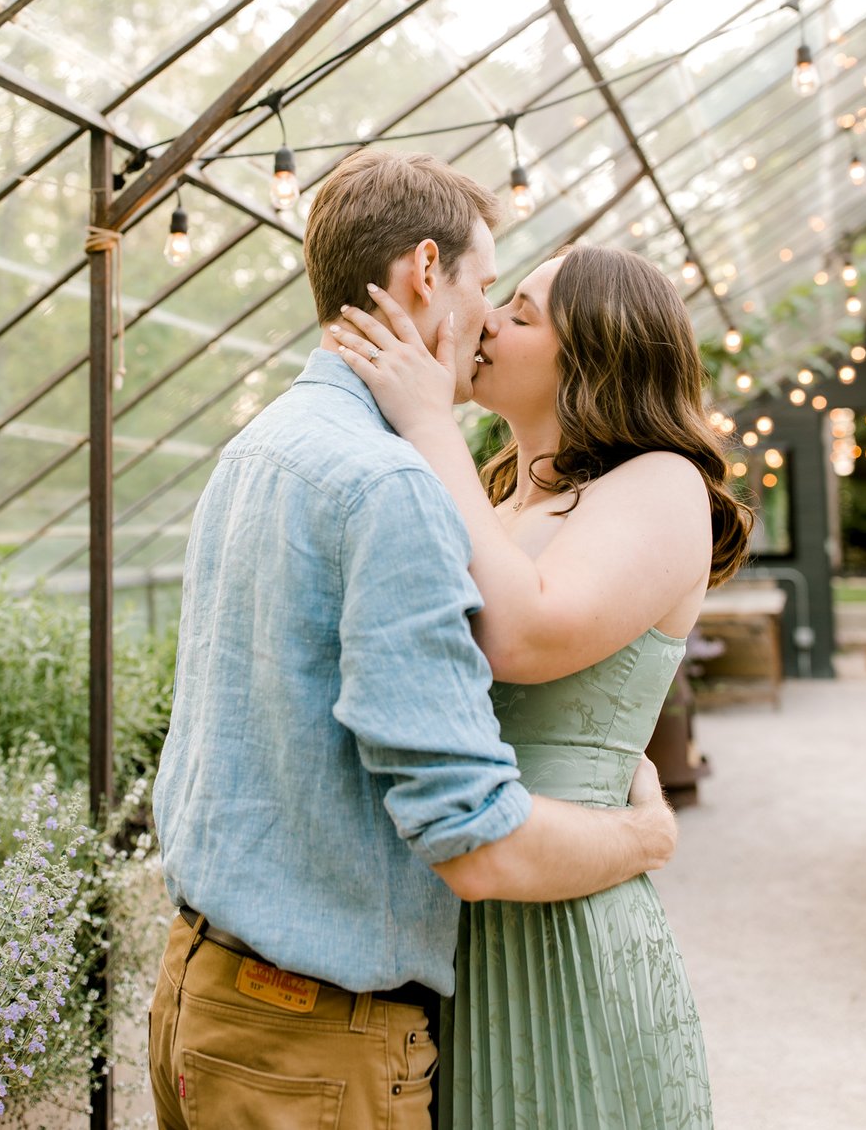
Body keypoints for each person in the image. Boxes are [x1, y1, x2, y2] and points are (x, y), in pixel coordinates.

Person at [148, 151, 678, 1130]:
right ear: (426, 272)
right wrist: (639, 836)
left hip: (200, 990)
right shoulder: (392, 484)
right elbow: (470, 839)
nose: (484, 322)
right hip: (310, 1042)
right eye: (488, 288)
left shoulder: (259, 445)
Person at [333, 242, 754, 1130]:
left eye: (520, 314)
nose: (484, 321)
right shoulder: (494, 502)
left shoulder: (661, 484)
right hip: (448, 908)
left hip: (562, 925)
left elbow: (523, 635)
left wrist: (430, 427)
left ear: (595, 357)